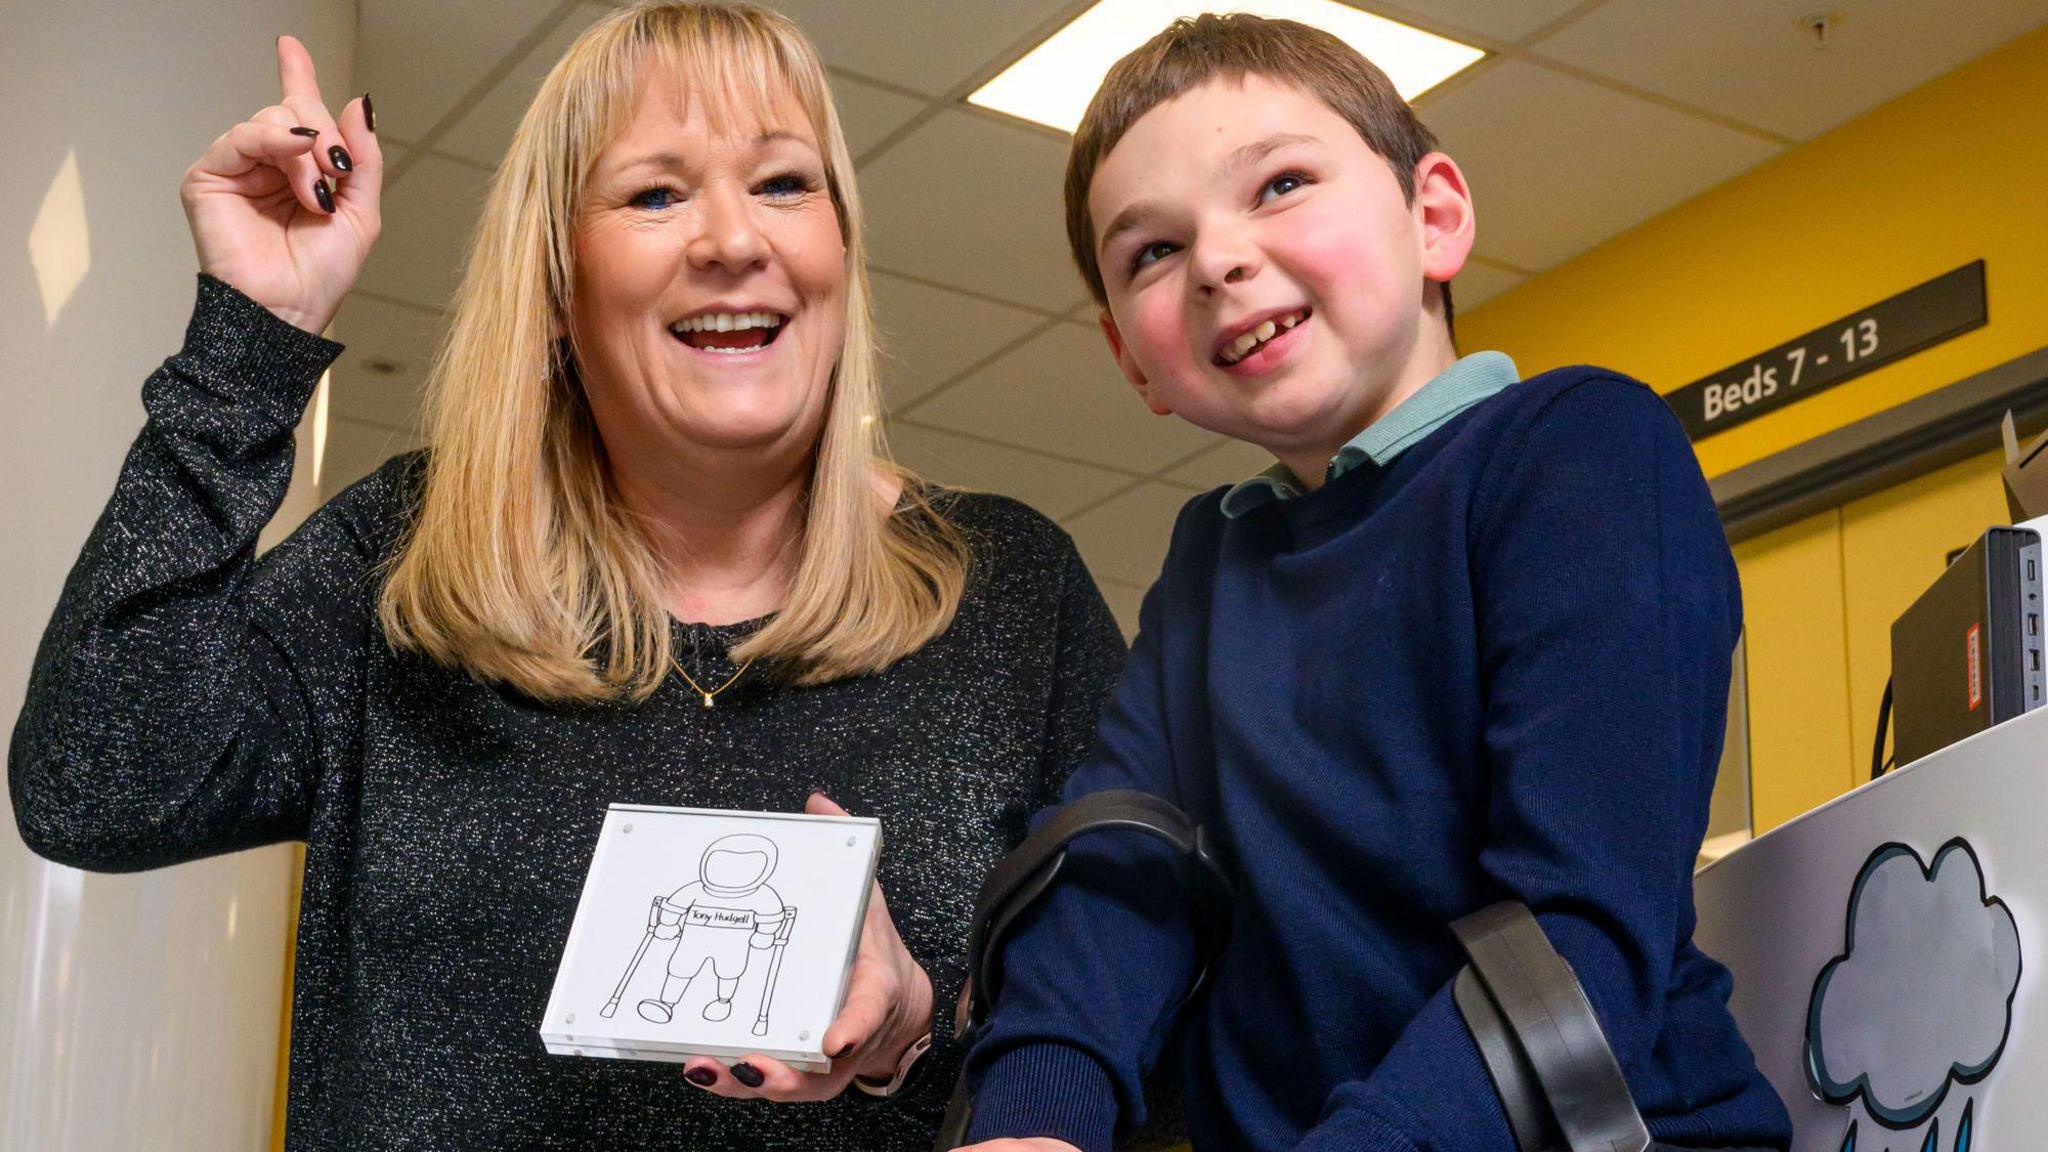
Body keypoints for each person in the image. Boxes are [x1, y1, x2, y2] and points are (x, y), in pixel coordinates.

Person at [7, 4, 1125, 1150]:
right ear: (553, 281)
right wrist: (253, 340)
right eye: (655, 194)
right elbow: (100, 783)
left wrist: (912, 1041)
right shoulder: (408, 556)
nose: (735, 239)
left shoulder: (1005, 591)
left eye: (785, 184)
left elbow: (1143, 1033)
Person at [954, 15, 1791, 1152]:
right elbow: (1124, 875)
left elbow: (1579, 923)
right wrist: (1031, 1116)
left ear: (1433, 217)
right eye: (1150, 250)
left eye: (1280, 183)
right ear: (1130, 361)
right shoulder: (1211, 562)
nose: (1216, 260)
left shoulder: (1574, 451)